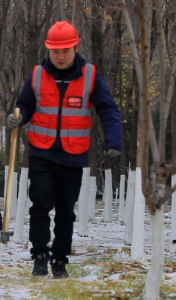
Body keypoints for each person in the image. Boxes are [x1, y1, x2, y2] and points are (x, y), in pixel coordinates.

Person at [8, 21, 122, 278]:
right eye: (55, 51)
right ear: (48, 50)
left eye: (65, 51)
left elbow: (108, 110)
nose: (60, 56)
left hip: (73, 154)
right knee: (40, 203)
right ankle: (39, 255)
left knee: (65, 211)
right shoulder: (37, 75)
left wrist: (113, 142)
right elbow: (24, 105)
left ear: (75, 48)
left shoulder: (90, 76)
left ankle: (59, 260)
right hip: (41, 151)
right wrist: (18, 117)